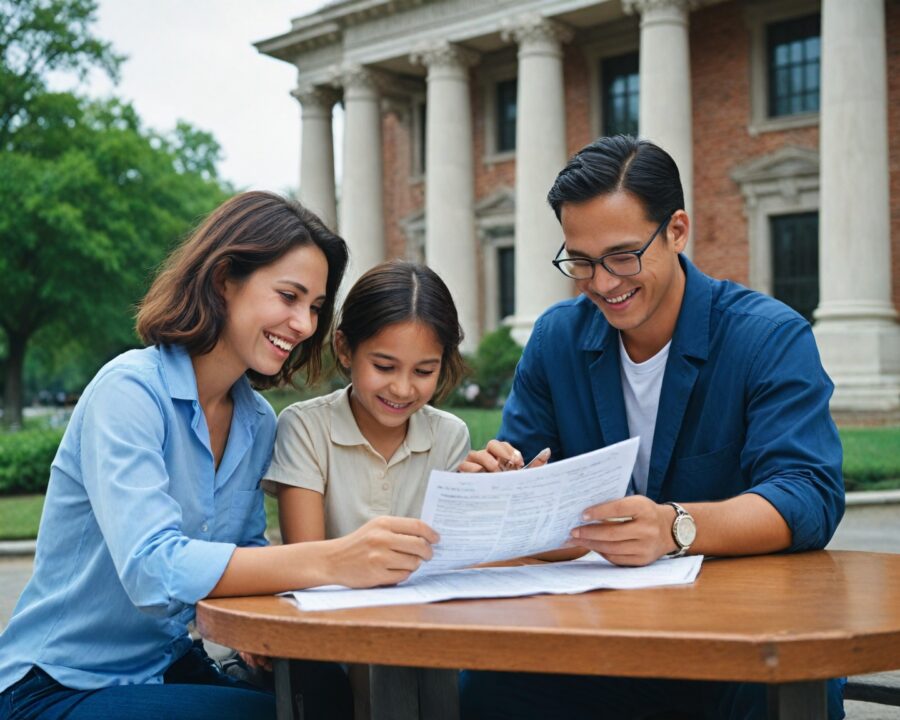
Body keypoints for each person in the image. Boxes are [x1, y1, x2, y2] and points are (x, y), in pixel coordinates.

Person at [0, 192, 438, 720]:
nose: (303, 324)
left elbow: (248, 548)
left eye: (315, 307)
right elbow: (152, 568)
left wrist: (263, 626)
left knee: (322, 690)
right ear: (224, 279)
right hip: (57, 683)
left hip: (166, 663)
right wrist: (334, 558)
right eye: (289, 296)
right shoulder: (129, 392)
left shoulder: (256, 422)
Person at [459, 135, 845, 719]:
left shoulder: (768, 337)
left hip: (745, 638)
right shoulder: (557, 339)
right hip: (605, 640)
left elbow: (808, 496)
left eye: (621, 255)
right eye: (581, 261)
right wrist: (498, 487)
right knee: (484, 689)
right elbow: (527, 485)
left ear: (677, 231)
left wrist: (675, 526)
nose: (603, 283)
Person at [263, 260, 470, 716]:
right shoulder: (305, 428)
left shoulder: (449, 436)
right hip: (333, 643)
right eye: (384, 365)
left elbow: (454, 561)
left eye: (424, 371)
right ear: (344, 348)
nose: (402, 387)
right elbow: (306, 563)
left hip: (424, 636)